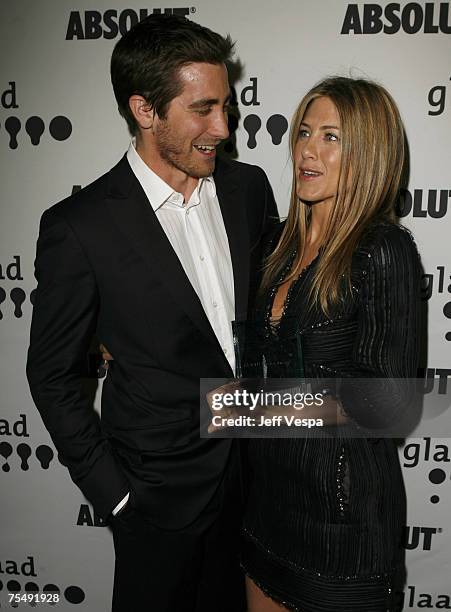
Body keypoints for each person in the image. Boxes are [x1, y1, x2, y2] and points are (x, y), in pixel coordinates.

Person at [26, 14, 277, 612]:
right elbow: (53, 376)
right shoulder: (81, 227)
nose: (224, 126)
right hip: (156, 500)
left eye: (227, 105)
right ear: (145, 111)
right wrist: (115, 497)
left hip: (252, 484)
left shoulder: (249, 190)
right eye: (203, 109)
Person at [240, 77, 420, 612]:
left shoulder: (382, 250)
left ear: (367, 153)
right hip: (264, 511)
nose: (307, 150)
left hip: (343, 525)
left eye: (331, 137)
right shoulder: (275, 245)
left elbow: (392, 402)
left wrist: (243, 408)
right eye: (303, 132)